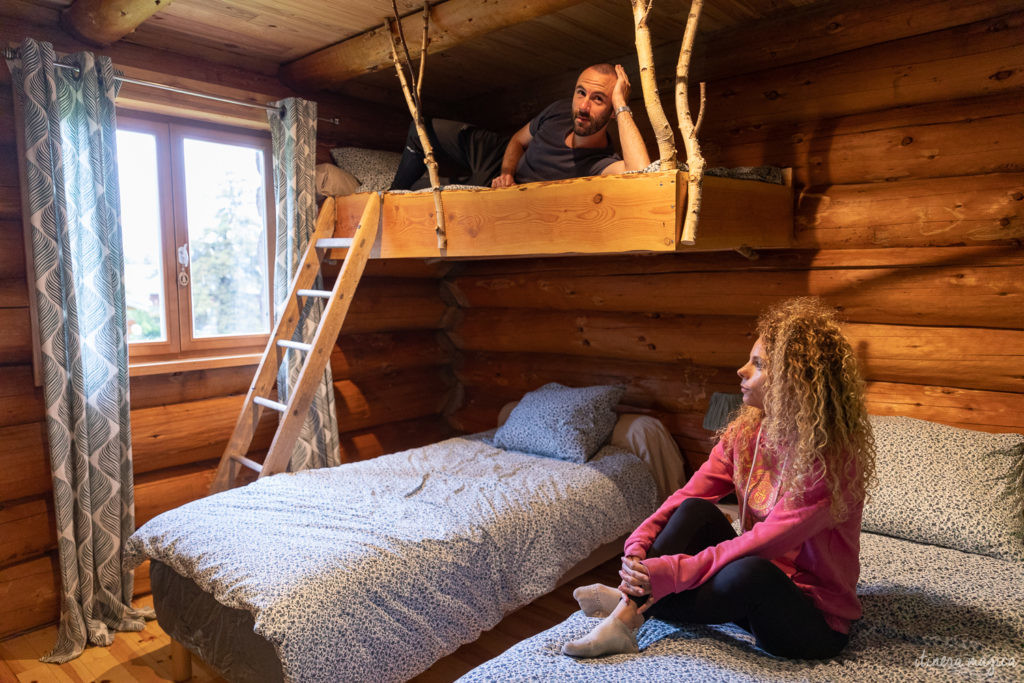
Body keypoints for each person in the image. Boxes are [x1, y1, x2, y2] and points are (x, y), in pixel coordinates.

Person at [564, 297, 876, 660]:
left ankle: (627, 607)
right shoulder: (746, 434)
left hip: (813, 622)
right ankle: (626, 614)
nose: (742, 370)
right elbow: (685, 496)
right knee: (696, 511)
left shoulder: (830, 462)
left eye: (758, 365)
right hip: (758, 582)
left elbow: (762, 544)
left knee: (750, 572)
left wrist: (669, 572)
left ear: (794, 381)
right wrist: (637, 544)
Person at [388, 63, 651, 190]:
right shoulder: (560, 110)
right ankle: (390, 195)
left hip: (510, 189)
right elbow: (517, 140)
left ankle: (406, 192)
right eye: (581, 93)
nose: (583, 106)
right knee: (421, 130)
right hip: (503, 161)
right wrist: (507, 171)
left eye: (598, 99)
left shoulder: (601, 163)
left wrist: (621, 103)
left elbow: (643, 175)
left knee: (418, 190)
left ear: (613, 112)